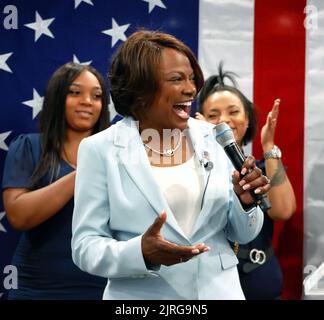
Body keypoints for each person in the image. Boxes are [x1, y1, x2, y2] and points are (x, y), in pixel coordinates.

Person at [71, 30, 271, 300]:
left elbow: (243, 234)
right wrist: (140, 252)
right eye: (177, 79)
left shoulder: (213, 137)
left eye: (191, 79)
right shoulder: (100, 149)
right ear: (141, 89)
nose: (191, 89)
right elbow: (85, 247)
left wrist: (245, 203)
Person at [2, 62, 110, 299]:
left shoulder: (116, 155)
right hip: (37, 288)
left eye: (97, 95)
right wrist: (82, 174)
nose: (87, 101)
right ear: (57, 97)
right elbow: (18, 215)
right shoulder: (28, 146)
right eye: (75, 92)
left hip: (102, 288)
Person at [196, 63, 296, 299]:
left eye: (233, 112)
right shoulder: (192, 171)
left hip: (262, 284)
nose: (224, 120)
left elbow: (283, 211)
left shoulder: (262, 170)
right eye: (213, 115)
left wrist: (269, 147)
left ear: (248, 119)